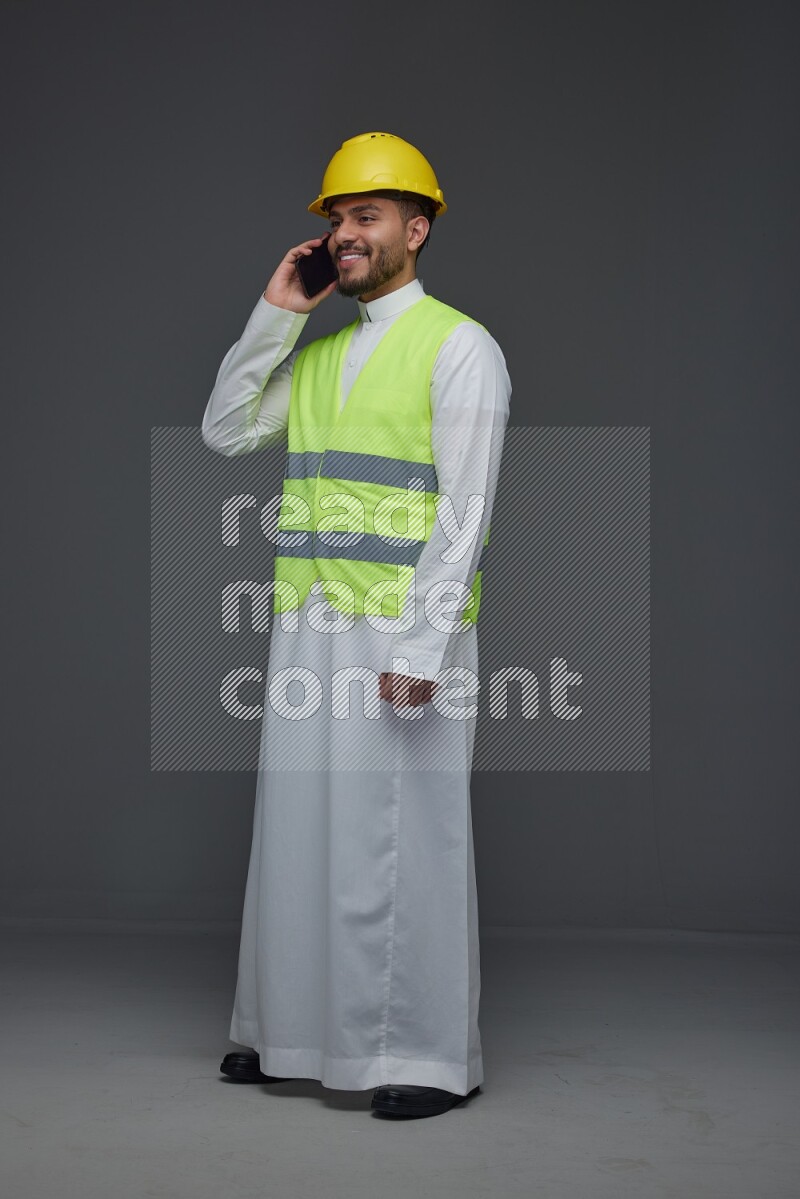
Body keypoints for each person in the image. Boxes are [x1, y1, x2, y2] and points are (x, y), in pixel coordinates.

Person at [202, 132, 511, 1119]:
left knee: (403, 841)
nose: (343, 233)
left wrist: (420, 652)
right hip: (309, 624)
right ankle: (281, 1030)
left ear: (415, 230)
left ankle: (420, 1056)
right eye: (336, 219)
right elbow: (226, 428)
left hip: (399, 637)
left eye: (365, 216)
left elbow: (462, 509)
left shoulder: (459, 346)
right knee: (297, 833)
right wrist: (273, 313)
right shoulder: (324, 350)